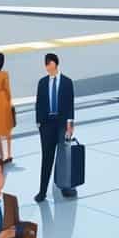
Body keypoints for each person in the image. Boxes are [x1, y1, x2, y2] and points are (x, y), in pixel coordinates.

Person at [34, 53, 76, 201]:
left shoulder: (67, 82)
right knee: (46, 157)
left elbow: (71, 105)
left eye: (50, 65)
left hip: (62, 123)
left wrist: (70, 125)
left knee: (63, 156)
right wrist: (39, 122)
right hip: (46, 125)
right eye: (46, 65)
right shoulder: (42, 82)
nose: (48, 68)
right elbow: (38, 103)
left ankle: (65, 187)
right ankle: (42, 191)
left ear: (56, 65)